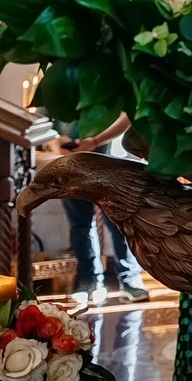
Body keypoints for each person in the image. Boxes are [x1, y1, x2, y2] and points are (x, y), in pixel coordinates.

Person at [55, 115, 149, 308]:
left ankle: (130, 279)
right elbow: (41, 119)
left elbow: (128, 115)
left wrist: (96, 141)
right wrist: (56, 140)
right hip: (71, 161)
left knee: (119, 222)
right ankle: (89, 281)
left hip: (113, 160)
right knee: (80, 225)